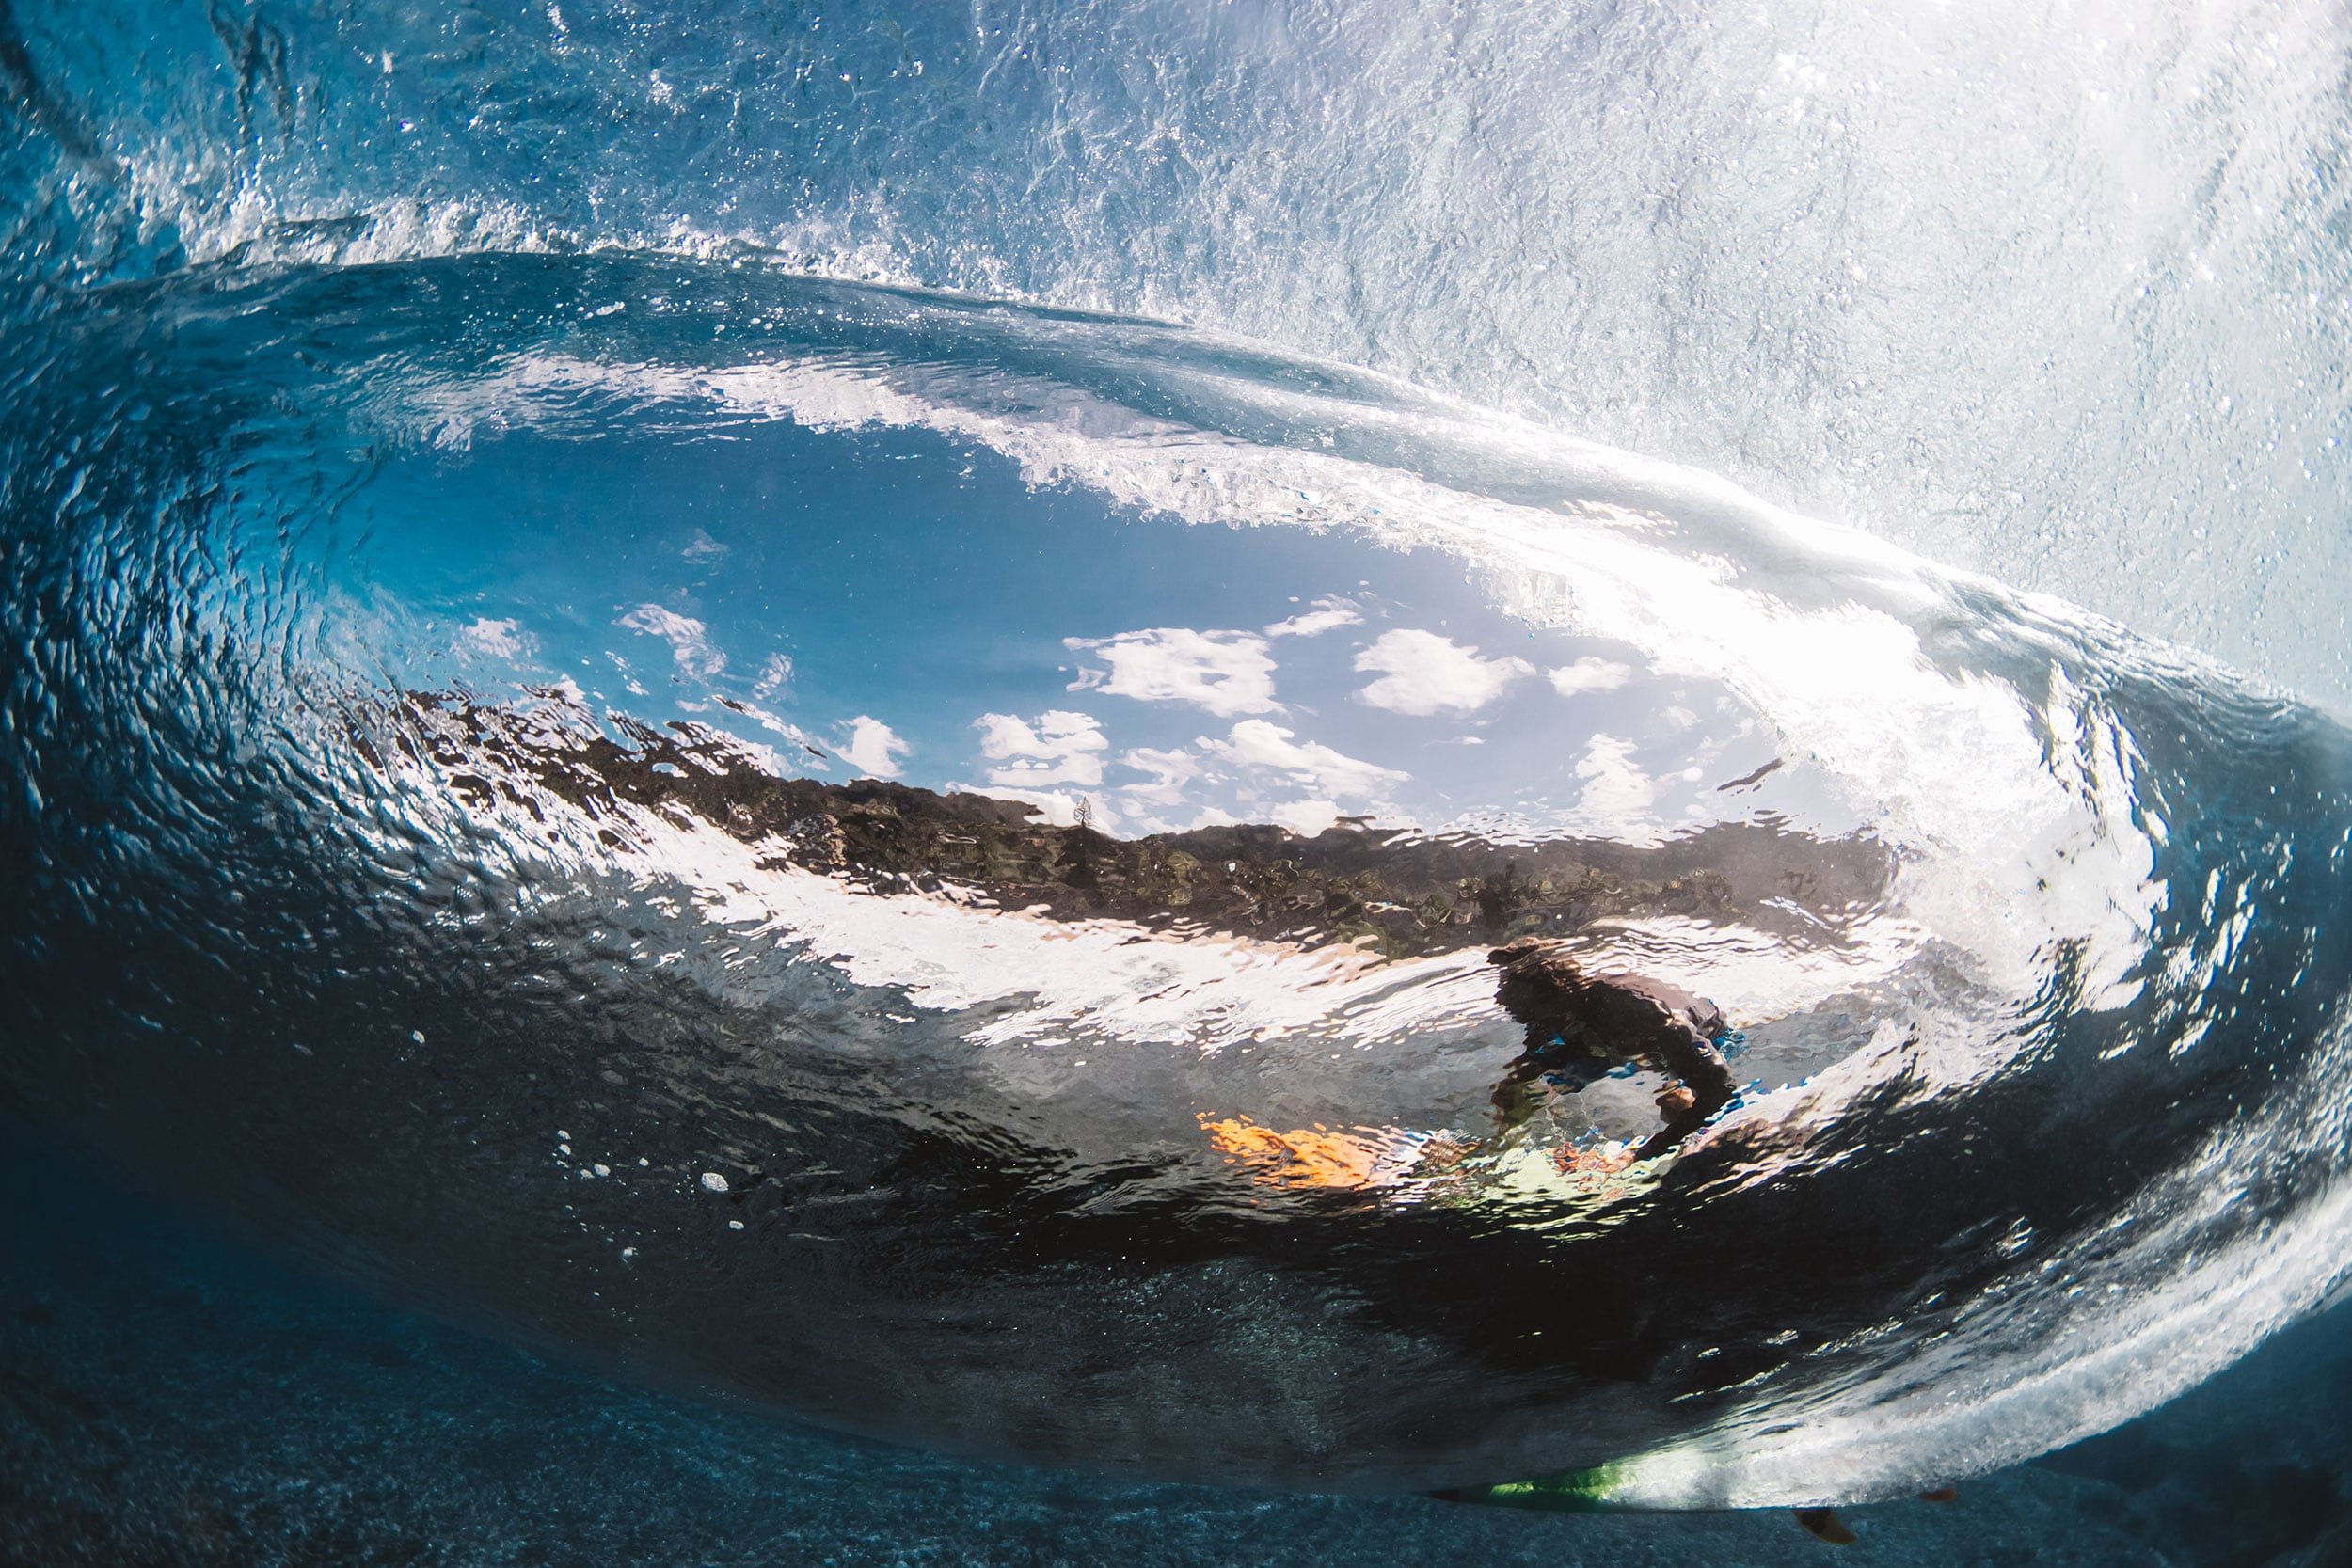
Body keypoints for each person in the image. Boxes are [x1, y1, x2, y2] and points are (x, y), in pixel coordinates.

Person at [1486, 937, 1737, 1161]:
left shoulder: (1639, 1013)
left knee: (1676, 1107)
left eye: (1547, 1020)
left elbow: (1721, 1089)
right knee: (1523, 1087)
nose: (1541, 1029)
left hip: (1709, 1034)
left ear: (1560, 999)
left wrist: (1645, 1152)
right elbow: (1537, 1051)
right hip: (1609, 1043)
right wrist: (1516, 1088)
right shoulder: (1556, 1015)